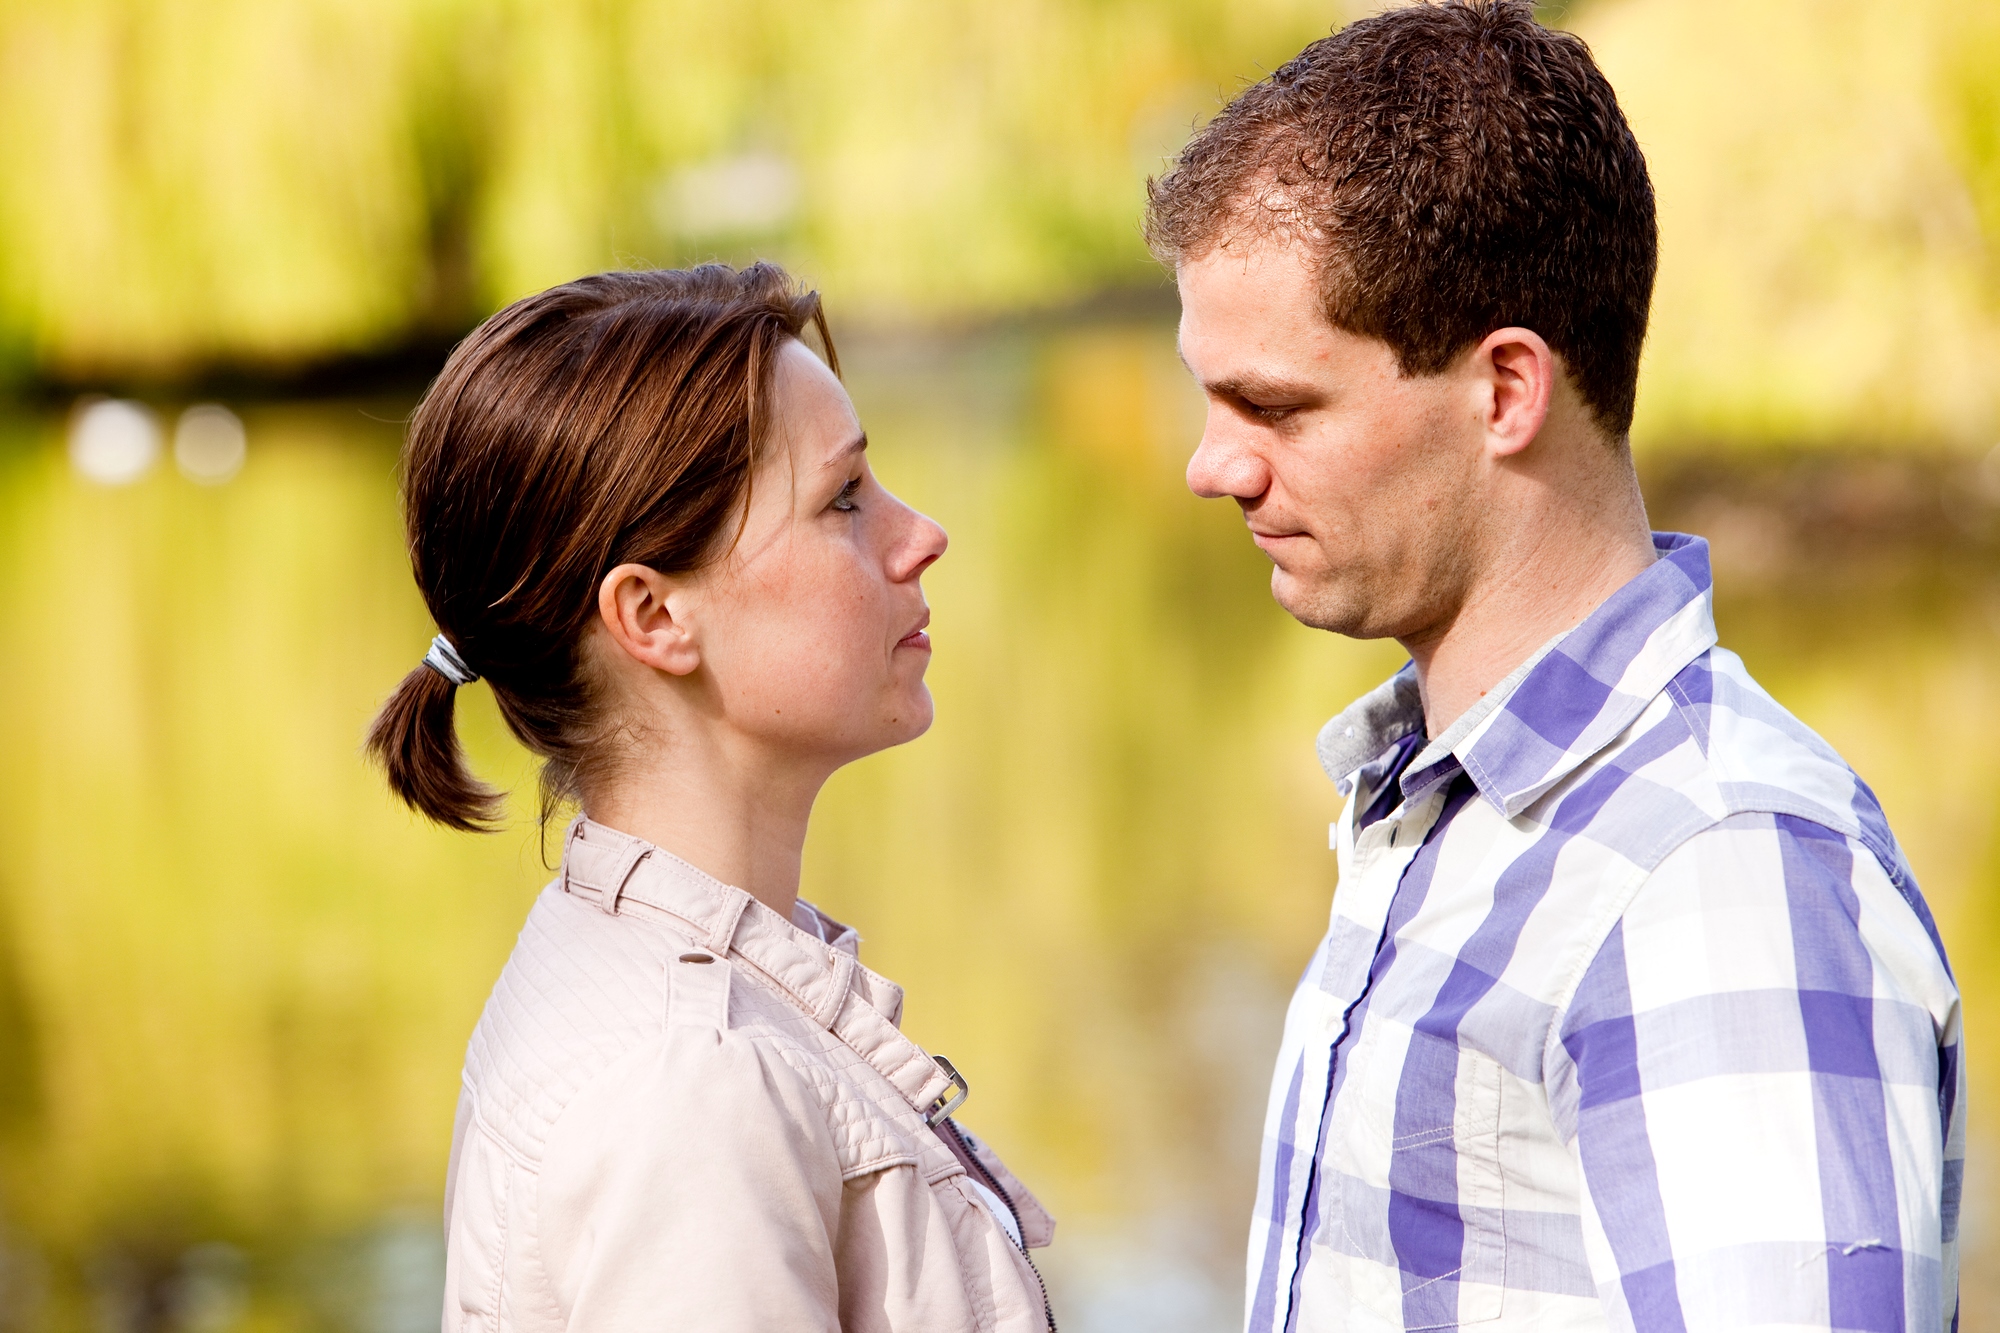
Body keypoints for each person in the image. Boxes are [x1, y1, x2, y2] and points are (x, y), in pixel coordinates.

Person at [1144, 3, 1962, 1331]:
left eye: (1275, 406)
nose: (1212, 465)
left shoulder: (1711, 869)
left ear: (1507, 391)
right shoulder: (1450, 817)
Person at [364, 264, 1056, 1332]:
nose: (920, 536)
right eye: (843, 499)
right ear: (652, 616)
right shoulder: (691, 1083)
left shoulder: (656, 982)